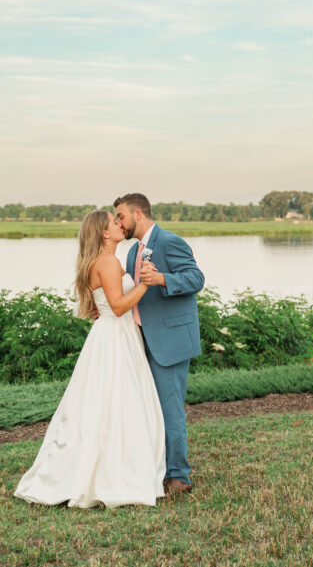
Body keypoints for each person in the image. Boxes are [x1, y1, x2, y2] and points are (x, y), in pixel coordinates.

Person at [14, 210, 166, 508]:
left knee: (107, 403)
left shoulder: (106, 261)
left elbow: (107, 303)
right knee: (115, 403)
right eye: (114, 222)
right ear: (104, 233)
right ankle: (110, 475)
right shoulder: (108, 262)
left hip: (114, 335)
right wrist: (146, 284)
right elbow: (119, 306)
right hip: (114, 338)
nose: (120, 224)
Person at [114, 192, 205, 496]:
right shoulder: (131, 253)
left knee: (170, 410)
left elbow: (195, 278)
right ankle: (155, 469)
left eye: (121, 216)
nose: (118, 222)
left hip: (170, 341)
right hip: (140, 342)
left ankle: (179, 476)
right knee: (147, 410)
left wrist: (163, 279)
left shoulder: (169, 242)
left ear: (138, 214)